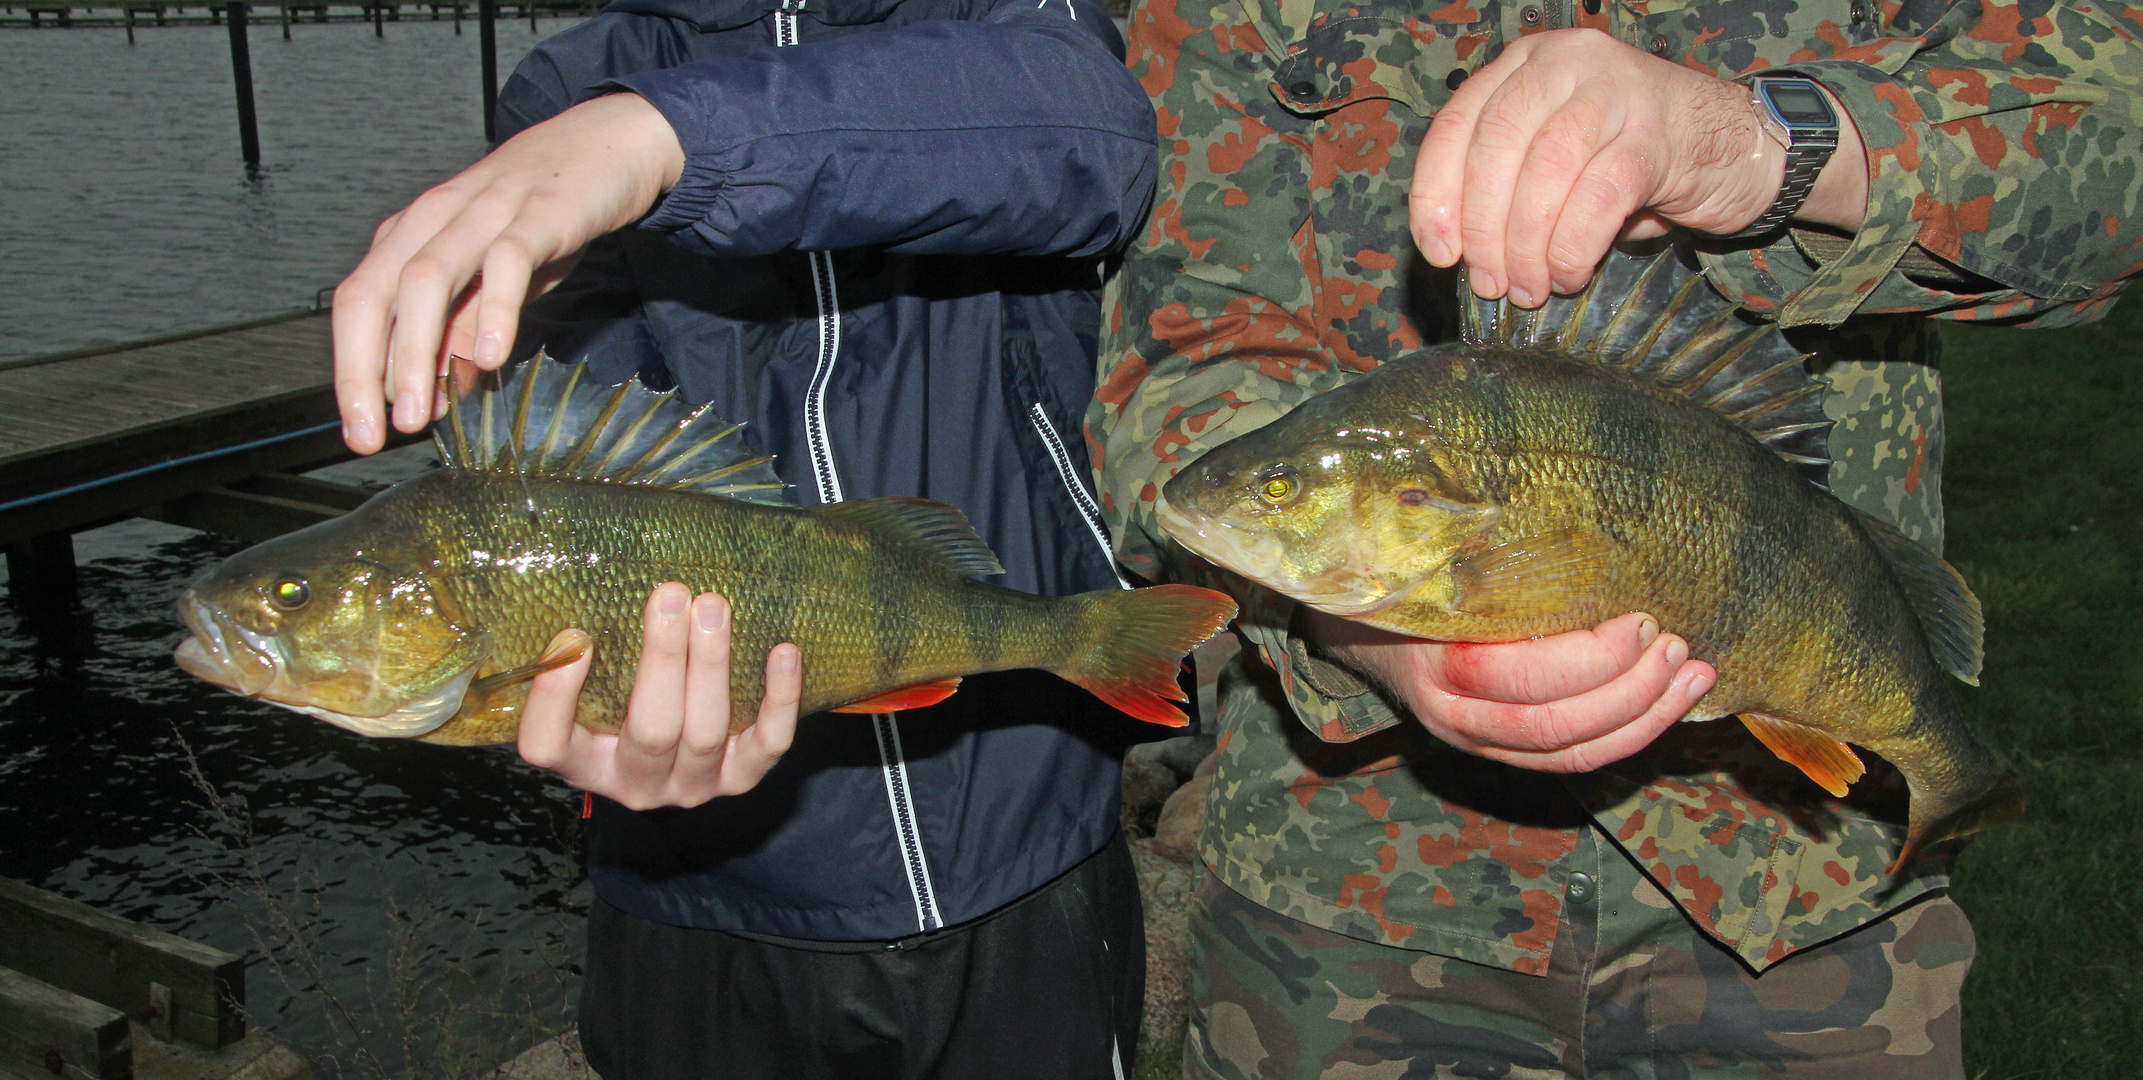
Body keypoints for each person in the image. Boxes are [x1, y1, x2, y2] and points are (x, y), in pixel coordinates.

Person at [1092, 2, 2141, 1075]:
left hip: (1805, 901)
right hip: (1351, 896)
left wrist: (1770, 145)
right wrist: (1367, 634)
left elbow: (2117, 134)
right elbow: (1176, 361)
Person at [328, 0, 1168, 1076]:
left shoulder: (1014, 31)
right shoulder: (559, 97)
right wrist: (589, 742)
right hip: (693, 905)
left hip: (1025, 869)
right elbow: (576, 481)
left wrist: (655, 140)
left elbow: (1091, 137)